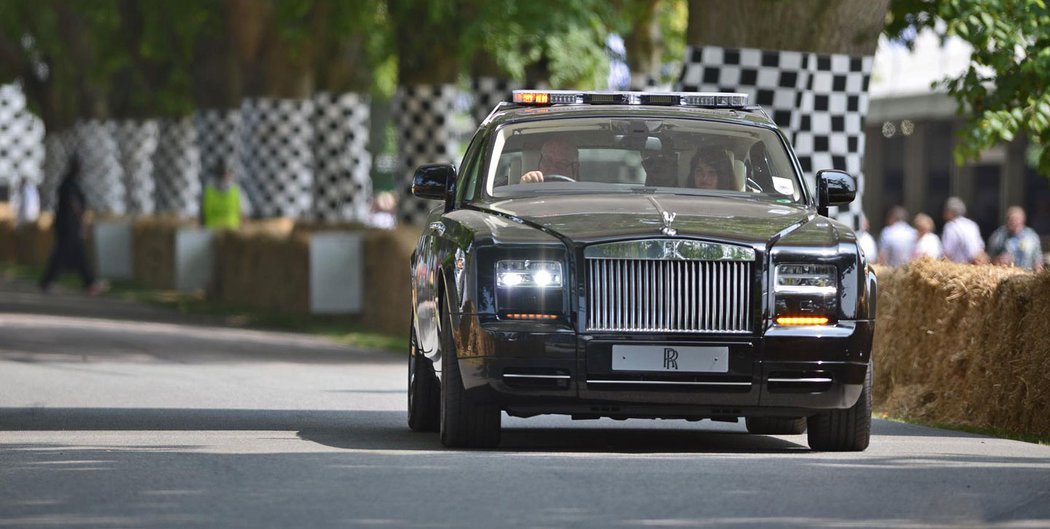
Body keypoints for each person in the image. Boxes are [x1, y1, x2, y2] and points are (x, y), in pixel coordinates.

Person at [39, 155, 107, 295]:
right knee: (65, 254)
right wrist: (81, 219)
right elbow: (74, 204)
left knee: (76, 255)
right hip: (69, 226)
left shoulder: (67, 183)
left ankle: (89, 282)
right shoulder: (70, 185)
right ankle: (88, 282)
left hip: (67, 225)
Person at [987, 206, 1043, 272]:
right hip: (1005, 276)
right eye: (1010, 219)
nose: (1013, 222)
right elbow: (989, 261)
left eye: (1016, 219)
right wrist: (999, 260)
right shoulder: (998, 236)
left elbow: (1038, 261)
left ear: (1023, 220)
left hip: (1027, 277)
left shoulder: (1031, 236)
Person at [201, 160, 247, 229]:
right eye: (222, 174)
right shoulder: (208, 192)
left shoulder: (237, 191)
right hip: (212, 233)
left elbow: (244, 216)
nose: (224, 177)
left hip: (231, 233)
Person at [941, 196, 986, 264]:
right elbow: (981, 249)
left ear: (950, 212)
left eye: (945, 210)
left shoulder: (950, 226)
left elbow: (947, 254)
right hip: (975, 268)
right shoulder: (972, 224)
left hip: (959, 269)